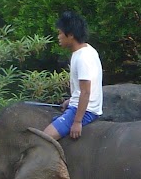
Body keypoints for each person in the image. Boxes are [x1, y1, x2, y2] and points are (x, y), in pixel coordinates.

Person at [43, 10, 103, 141]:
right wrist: (71, 100)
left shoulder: (83, 58)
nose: (58, 37)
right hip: (80, 106)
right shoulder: (85, 51)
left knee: (44, 138)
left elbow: (86, 92)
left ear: (70, 35)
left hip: (85, 111)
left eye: (60, 33)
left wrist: (77, 122)